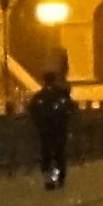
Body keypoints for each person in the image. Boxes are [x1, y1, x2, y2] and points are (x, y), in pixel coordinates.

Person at [29, 59, 76, 190]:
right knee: (59, 154)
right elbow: (70, 108)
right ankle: (60, 178)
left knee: (47, 155)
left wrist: (38, 124)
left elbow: (32, 110)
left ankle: (49, 180)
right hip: (59, 130)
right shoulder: (60, 95)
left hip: (45, 131)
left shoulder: (39, 96)